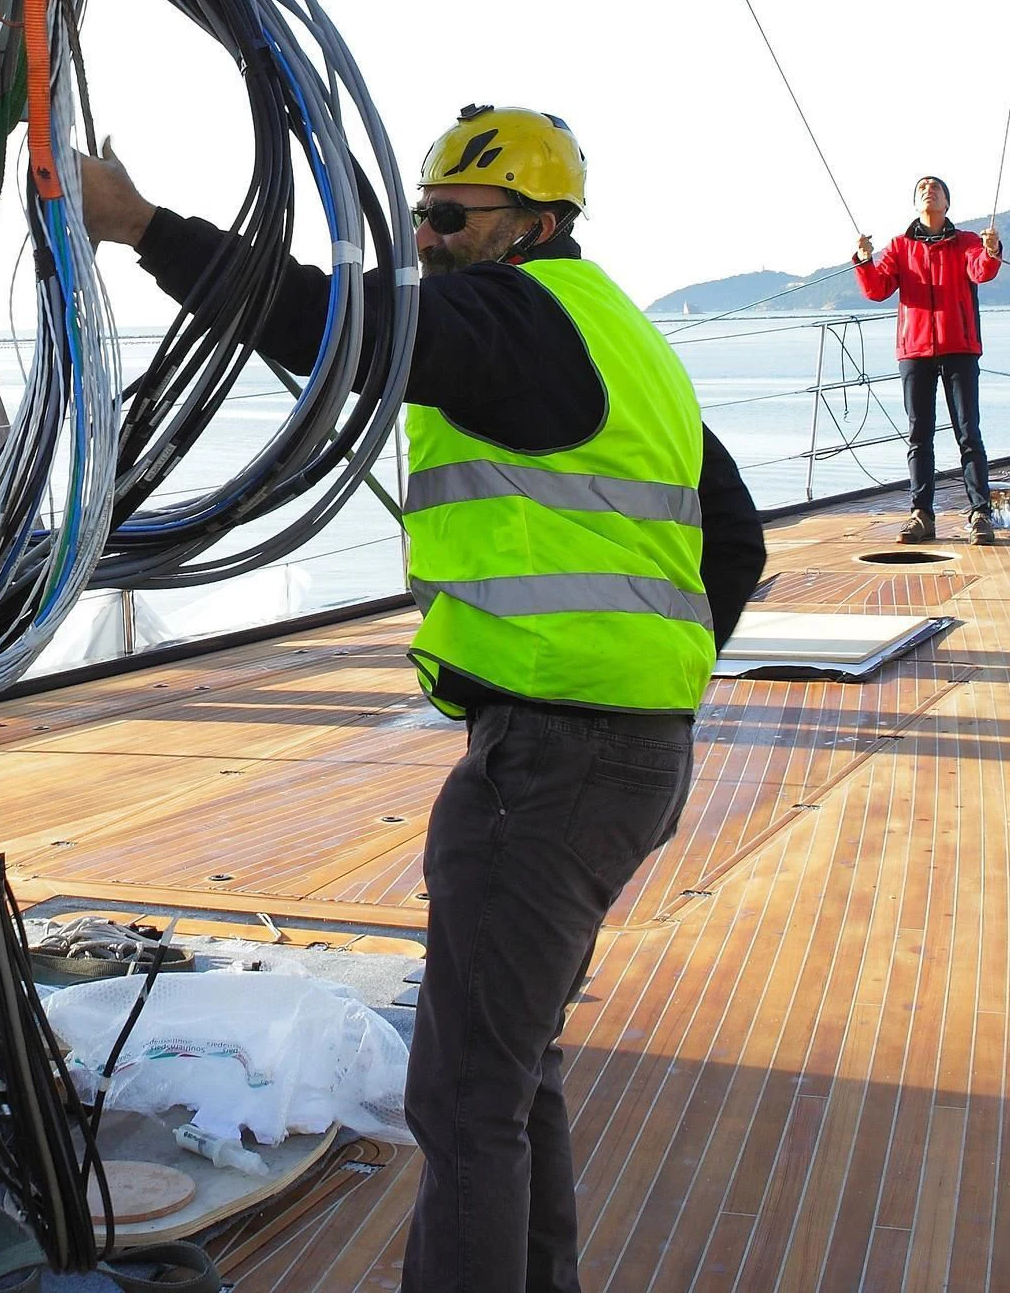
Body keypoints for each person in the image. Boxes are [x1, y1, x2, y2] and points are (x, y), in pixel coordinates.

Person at [79, 105, 766, 1293]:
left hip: (552, 762)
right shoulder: (619, 336)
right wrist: (657, 681)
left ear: (530, 228)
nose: (427, 236)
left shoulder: (515, 318)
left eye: (450, 218)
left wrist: (143, 228)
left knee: (460, 1097)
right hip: (619, 754)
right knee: (511, 1071)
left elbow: (335, 324)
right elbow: (737, 543)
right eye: (421, 215)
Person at [852, 175, 1005, 544]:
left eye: (935, 187)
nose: (928, 190)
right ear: (916, 203)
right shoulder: (900, 247)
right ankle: (921, 515)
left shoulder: (968, 242)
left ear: (947, 203)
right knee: (919, 435)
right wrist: (863, 260)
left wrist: (992, 249)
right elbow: (877, 289)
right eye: (922, 188)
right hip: (915, 351)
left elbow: (980, 270)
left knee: (968, 433)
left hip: (960, 348)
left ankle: (980, 514)